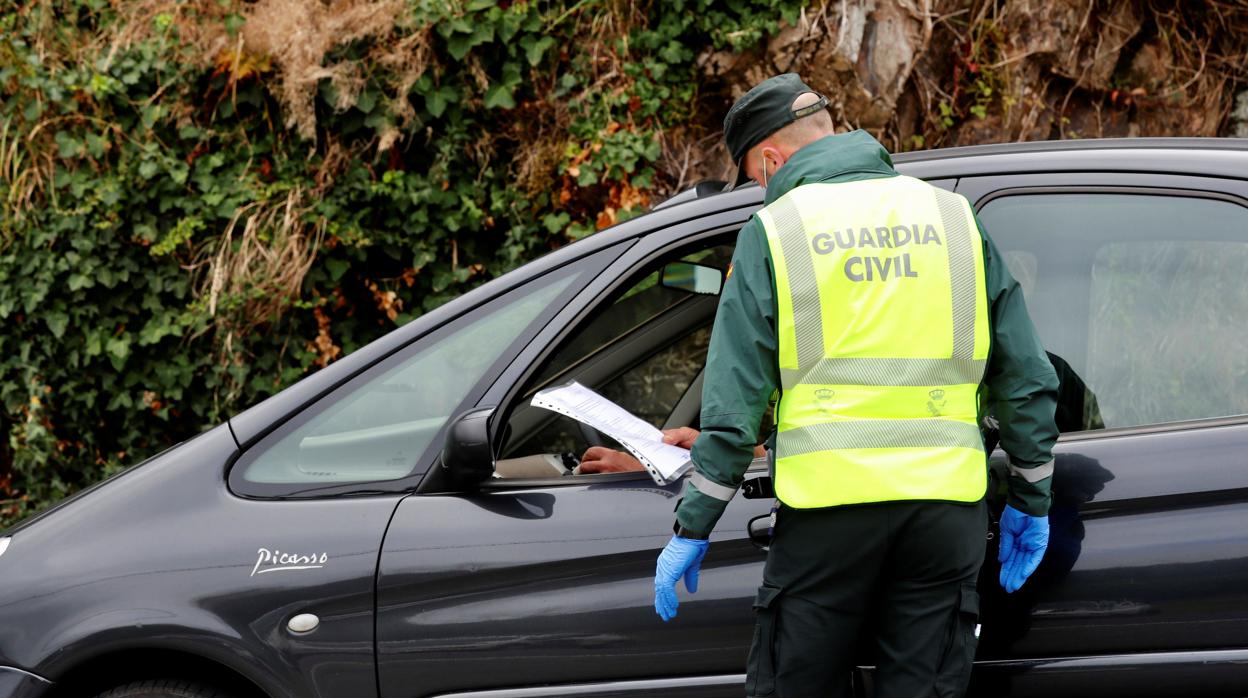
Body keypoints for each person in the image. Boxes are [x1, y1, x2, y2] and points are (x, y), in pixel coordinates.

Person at [651, 74, 1060, 698]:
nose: (763, 189)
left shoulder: (776, 232)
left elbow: (732, 412)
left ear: (771, 158)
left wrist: (693, 526)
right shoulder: (952, 218)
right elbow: (1025, 376)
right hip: (945, 512)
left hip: (828, 520)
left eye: (757, 177)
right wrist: (1032, 499)